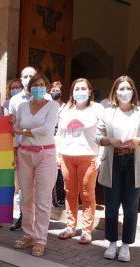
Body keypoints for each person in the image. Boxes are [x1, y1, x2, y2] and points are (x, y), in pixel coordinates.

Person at [95, 75, 140, 262]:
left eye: (128, 88)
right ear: (115, 92)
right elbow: (98, 136)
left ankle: (126, 245)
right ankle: (112, 242)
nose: (125, 92)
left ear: (133, 91)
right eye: (121, 89)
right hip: (113, 159)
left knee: (130, 206)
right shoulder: (107, 113)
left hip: (133, 161)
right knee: (111, 205)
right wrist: (110, 140)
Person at [12, 74, 60, 257]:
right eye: (35, 85)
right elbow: (15, 126)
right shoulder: (23, 106)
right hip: (24, 153)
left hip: (45, 154)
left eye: (42, 85)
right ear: (30, 88)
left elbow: (46, 130)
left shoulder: (53, 106)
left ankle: (41, 239)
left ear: (47, 88)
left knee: (42, 198)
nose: (38, 88)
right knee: (26, 197)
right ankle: (28, 234)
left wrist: (23, 131)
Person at [55, 78, 104, 244]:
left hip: (88, 156)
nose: (80, 91)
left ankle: (86, 230)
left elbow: (103, 135)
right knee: (69, 192)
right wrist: (58, 155)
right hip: (67, 156)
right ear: (72, 91)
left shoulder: (97, 109)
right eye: (77, 88)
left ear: (90, 91)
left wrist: (100, 156)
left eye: (84, 88)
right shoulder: (66, 109)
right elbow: (60, 134)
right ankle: (70, 226)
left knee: (87, 194)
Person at [8, 67, 37, 232]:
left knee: (37, 186)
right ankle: (23, 217)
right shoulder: (15, 100)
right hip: (20, 147)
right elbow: (10, 124)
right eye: (24, 76)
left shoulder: (45, 98)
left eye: (31, 76)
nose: (27, 79)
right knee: (22, 186)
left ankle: (37, 219)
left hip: (39, 148)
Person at [49, 81, 67, 208]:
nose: (55, 93)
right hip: (49, 138)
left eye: (57, 91)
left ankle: (60, 199)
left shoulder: (66, 107)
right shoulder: (47, 106)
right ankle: (51, 199)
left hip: (62, 139)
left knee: (60, 169)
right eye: (52, 90)